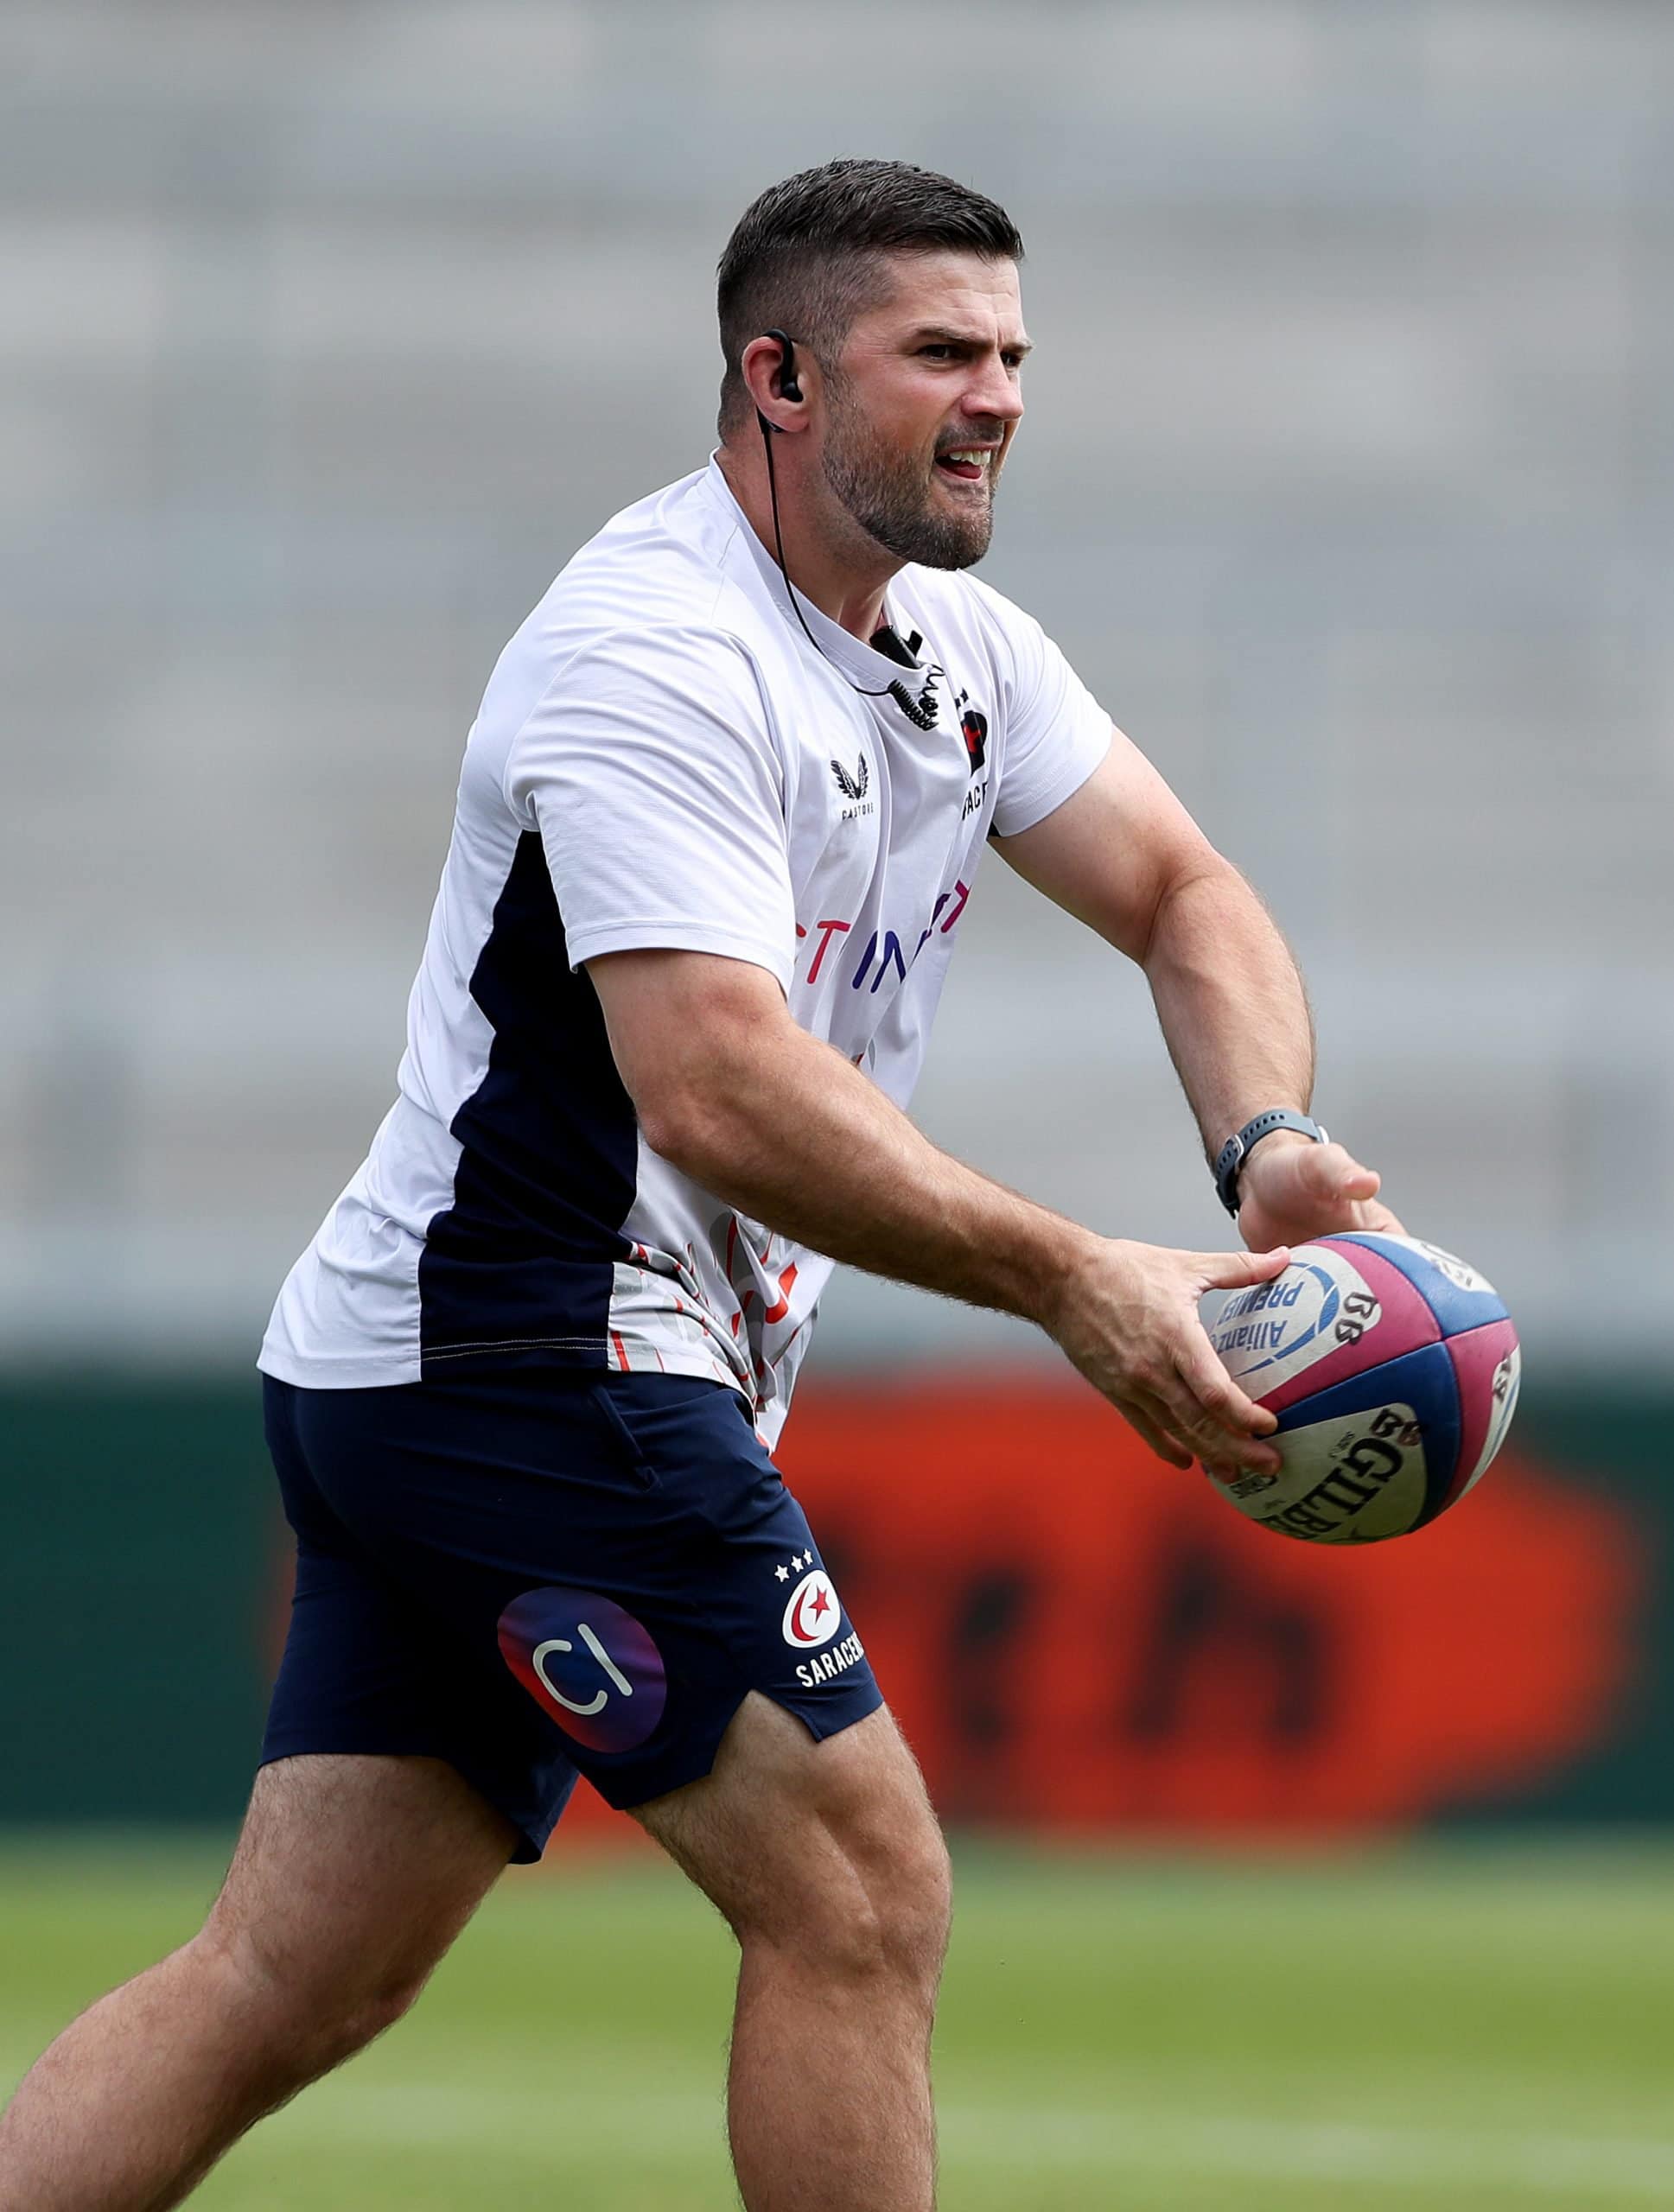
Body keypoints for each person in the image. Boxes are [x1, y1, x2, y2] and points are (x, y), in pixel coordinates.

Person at [0, 158, 1400, 2212]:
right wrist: (1075, 1273)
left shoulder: (959, 650)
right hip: (535, 1349)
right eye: (939, 351)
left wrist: (1263, 1138)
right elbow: (719, 1087)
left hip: (433, 1358)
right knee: (860, 1891)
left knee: (292, 1973)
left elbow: (1187, 888)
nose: (996, 392)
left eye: (1011, 351)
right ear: (777, 375)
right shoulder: (652, 647)